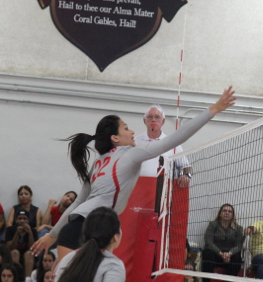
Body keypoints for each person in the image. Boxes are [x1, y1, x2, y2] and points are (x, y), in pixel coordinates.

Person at [31, 87, 236, 258]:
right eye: (126, 128)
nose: (131, 131)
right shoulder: (130, 154)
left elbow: (78, 204)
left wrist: (54, 234)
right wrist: (213, 110)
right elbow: (175, 139)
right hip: (89, 229)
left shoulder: (98, 163)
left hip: (80, 228)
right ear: (115, 138)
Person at [135, 104, 192, 187]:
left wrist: (186, 176)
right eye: (150, 117)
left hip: (164, 190)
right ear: (144, 120)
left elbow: (186, 167)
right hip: (139, 188)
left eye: (157, 117)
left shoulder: (172, 143)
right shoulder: (135, 142)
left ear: (163, 121)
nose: (153, 120)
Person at [201, 204, 244, 282]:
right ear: (220, 213)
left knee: (237, 259)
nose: (227, 213)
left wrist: (229, 253)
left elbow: (239, 245)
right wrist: (220, 253)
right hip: (215, 253)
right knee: (207, 255)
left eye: (230, 211)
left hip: (229, 255)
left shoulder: (238, 228)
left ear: (233, 215)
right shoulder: (213, 225)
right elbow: (209, 242)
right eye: (224, 211)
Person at [6, 209, 36, 279]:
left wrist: (30, 233)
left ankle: (28, 280)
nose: (22, 221)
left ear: (28, 220)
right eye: (20, 218)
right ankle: (15, 278)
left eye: (25, 219)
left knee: (29, 253)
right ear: (16, 220)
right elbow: (10, 248)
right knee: (15, 252)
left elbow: (32, 248)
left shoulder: (33, 231)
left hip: (27, 256)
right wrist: (17, 234)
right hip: (14, 255)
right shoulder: (10, 230)